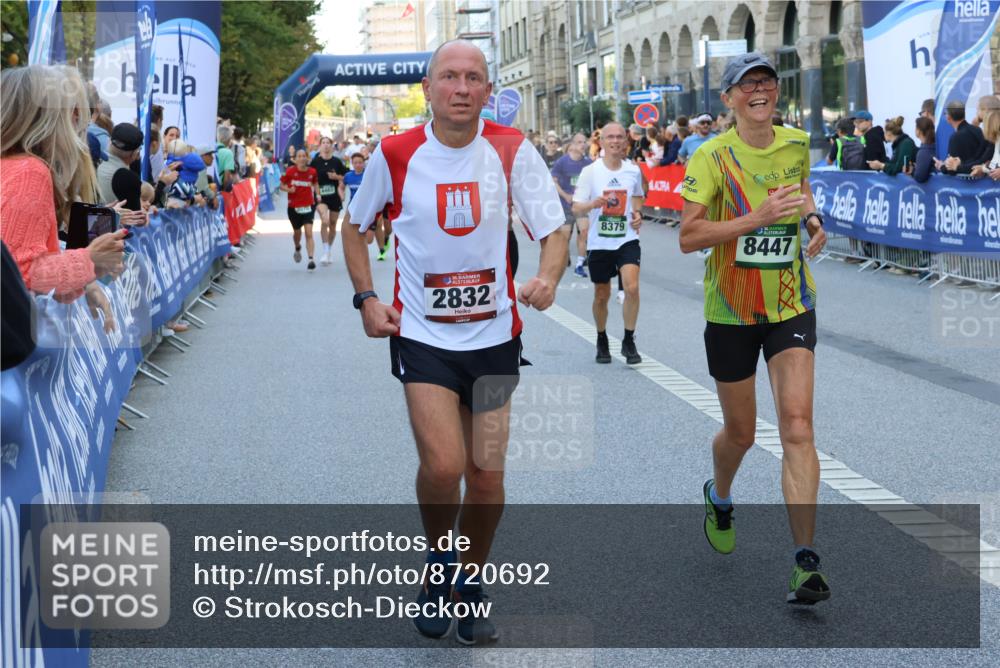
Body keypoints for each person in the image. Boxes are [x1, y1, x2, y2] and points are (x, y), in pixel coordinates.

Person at [341, 39, 567, 646]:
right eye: (449, 77)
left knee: (487, 476)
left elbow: (555, 229)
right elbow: (355, 228)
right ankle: (440, 563)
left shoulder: (513, 150)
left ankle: (470, 582)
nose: (462, 88)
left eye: (473, 78)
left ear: (488, 91)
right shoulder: (395, 153)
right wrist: (367, 298)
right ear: (428, 89)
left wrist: (547, 276)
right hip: (423, 337)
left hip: (495, 339)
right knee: (444, 466)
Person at [679, 52, 830, 605]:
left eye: (766, 82)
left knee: (797, 426)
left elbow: (802, 191)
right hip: (731, 312)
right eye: (748, 86)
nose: (759, 91)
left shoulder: (794, 144)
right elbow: (689, 237)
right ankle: (720, 496)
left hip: (790, 303)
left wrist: (812, 219)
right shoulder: (711, 157)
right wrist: (756, 219)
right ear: (728, 99)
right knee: (741, 433)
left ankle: (805, 562)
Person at [1, 64, 124, 326]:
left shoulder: (16, 166)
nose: (78, 121)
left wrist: (93, 266)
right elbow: (21, 275)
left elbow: (32, 270)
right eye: (73, 111)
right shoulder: (29, 172)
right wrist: (89, 258)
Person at [572, 122, 645, 365]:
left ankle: (629, 339)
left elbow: (637, 196)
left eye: (619, 137)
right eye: (610, 137)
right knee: (602, 294)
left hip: (626, 239)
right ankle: (602, 337)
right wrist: (593, 204)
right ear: (601, 142)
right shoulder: (590, 172)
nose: (615, 141)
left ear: (626, 142)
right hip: (600, 242)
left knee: (632, 288)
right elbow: (576, 207)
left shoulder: (633, 171)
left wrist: (637, 214)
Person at [550, 132, 592, 276]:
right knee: (565, 236)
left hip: (581, 206)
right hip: (566, 205)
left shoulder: (588, 163)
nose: (584, 145)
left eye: (584, 142)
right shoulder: (562, 162)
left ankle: (580, 264)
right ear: (572, 145)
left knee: (584, 233)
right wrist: (565, 195)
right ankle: (564, 258)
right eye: (580, 142)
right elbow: (553, 181)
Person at [310, 136, 348, 266]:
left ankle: (329, 249)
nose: (326, 145)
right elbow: (309, 177)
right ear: (320, 145)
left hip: (334, 197)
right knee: (324, 220)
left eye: (328, 143)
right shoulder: (315, 162)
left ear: (331, 146)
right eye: (323, 143)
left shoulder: (336, 162)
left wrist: (336, 177)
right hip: (321, 196)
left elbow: (346, 176)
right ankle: (325, 251)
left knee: (332, 224)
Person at [280, 148, 320, 270]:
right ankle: (297, 247)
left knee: (309, 232)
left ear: (307, 158)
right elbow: (281, 185)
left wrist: (318, 195)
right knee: (297, 232)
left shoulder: (312, 171)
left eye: (304, 156)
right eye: (300, 156)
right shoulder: (290, 171)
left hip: (308, 205)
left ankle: (311, 259)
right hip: (294, 207)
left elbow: (315, 183)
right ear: (295, 159)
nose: (302, 158)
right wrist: (289, 190)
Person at [936, 101, 987, 175]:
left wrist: (941, 166)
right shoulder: (978, 130)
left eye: (945, 114)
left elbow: (951, 170)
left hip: (967, 184)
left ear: (948, 117)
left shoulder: (955, 138)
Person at [905, 116, 937, 184]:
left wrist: (912, 170)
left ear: (919, 131)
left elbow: (920, 177)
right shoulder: (936, 146)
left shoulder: (924, 152)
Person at [970, 110, 1000, 181]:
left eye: (985, 124)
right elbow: (996, 163)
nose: (984, 127)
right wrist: (982, 168)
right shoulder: (997, 140)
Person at [216, 125, 238, 191]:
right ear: (229, 139)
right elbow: (227, 177)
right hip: (220, 188)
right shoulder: (228, 153)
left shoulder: (212, 148)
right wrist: (225, 191)